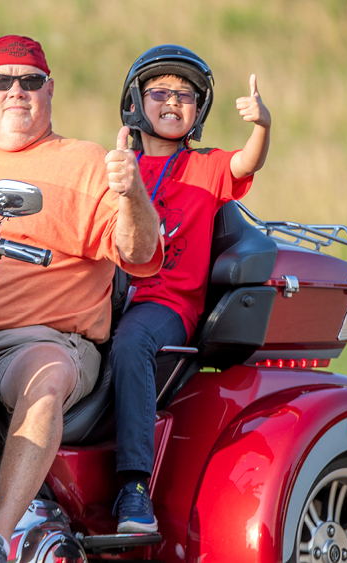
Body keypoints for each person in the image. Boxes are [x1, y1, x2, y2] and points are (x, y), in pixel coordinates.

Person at [0, 35, 164, 563]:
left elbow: (139, 254)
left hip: (40, 340)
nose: (15, 92)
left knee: (44, 378)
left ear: (50, 90)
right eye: (0, 81)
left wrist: (132, 189)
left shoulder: (88, 163)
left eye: (29, 81)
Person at [108, 44, 272, 533]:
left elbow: (247, 162)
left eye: (186, 95)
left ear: (199, 112)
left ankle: (134, 488)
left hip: (167, 303)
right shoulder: (116, 163)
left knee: (133, 340)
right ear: (135, 101)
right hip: (108, 298)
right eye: (160, 92)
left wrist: (262, 125)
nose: (172, 102)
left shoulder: (206, 167)